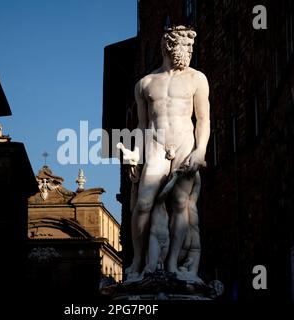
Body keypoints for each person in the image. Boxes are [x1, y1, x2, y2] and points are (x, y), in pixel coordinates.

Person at [121, 26, 210, 282]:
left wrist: (200, 149)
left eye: (191, 47)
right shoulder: (145, 83)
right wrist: (136, 154)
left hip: (184, 142)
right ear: (169, 47)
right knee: (143, 203)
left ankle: (172, 263)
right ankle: (138, 261)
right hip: (156, 144)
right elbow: (141, 125)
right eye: (185, 46)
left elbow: (203, 119)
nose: (189, 52)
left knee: (180, 203)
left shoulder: (197, 78)